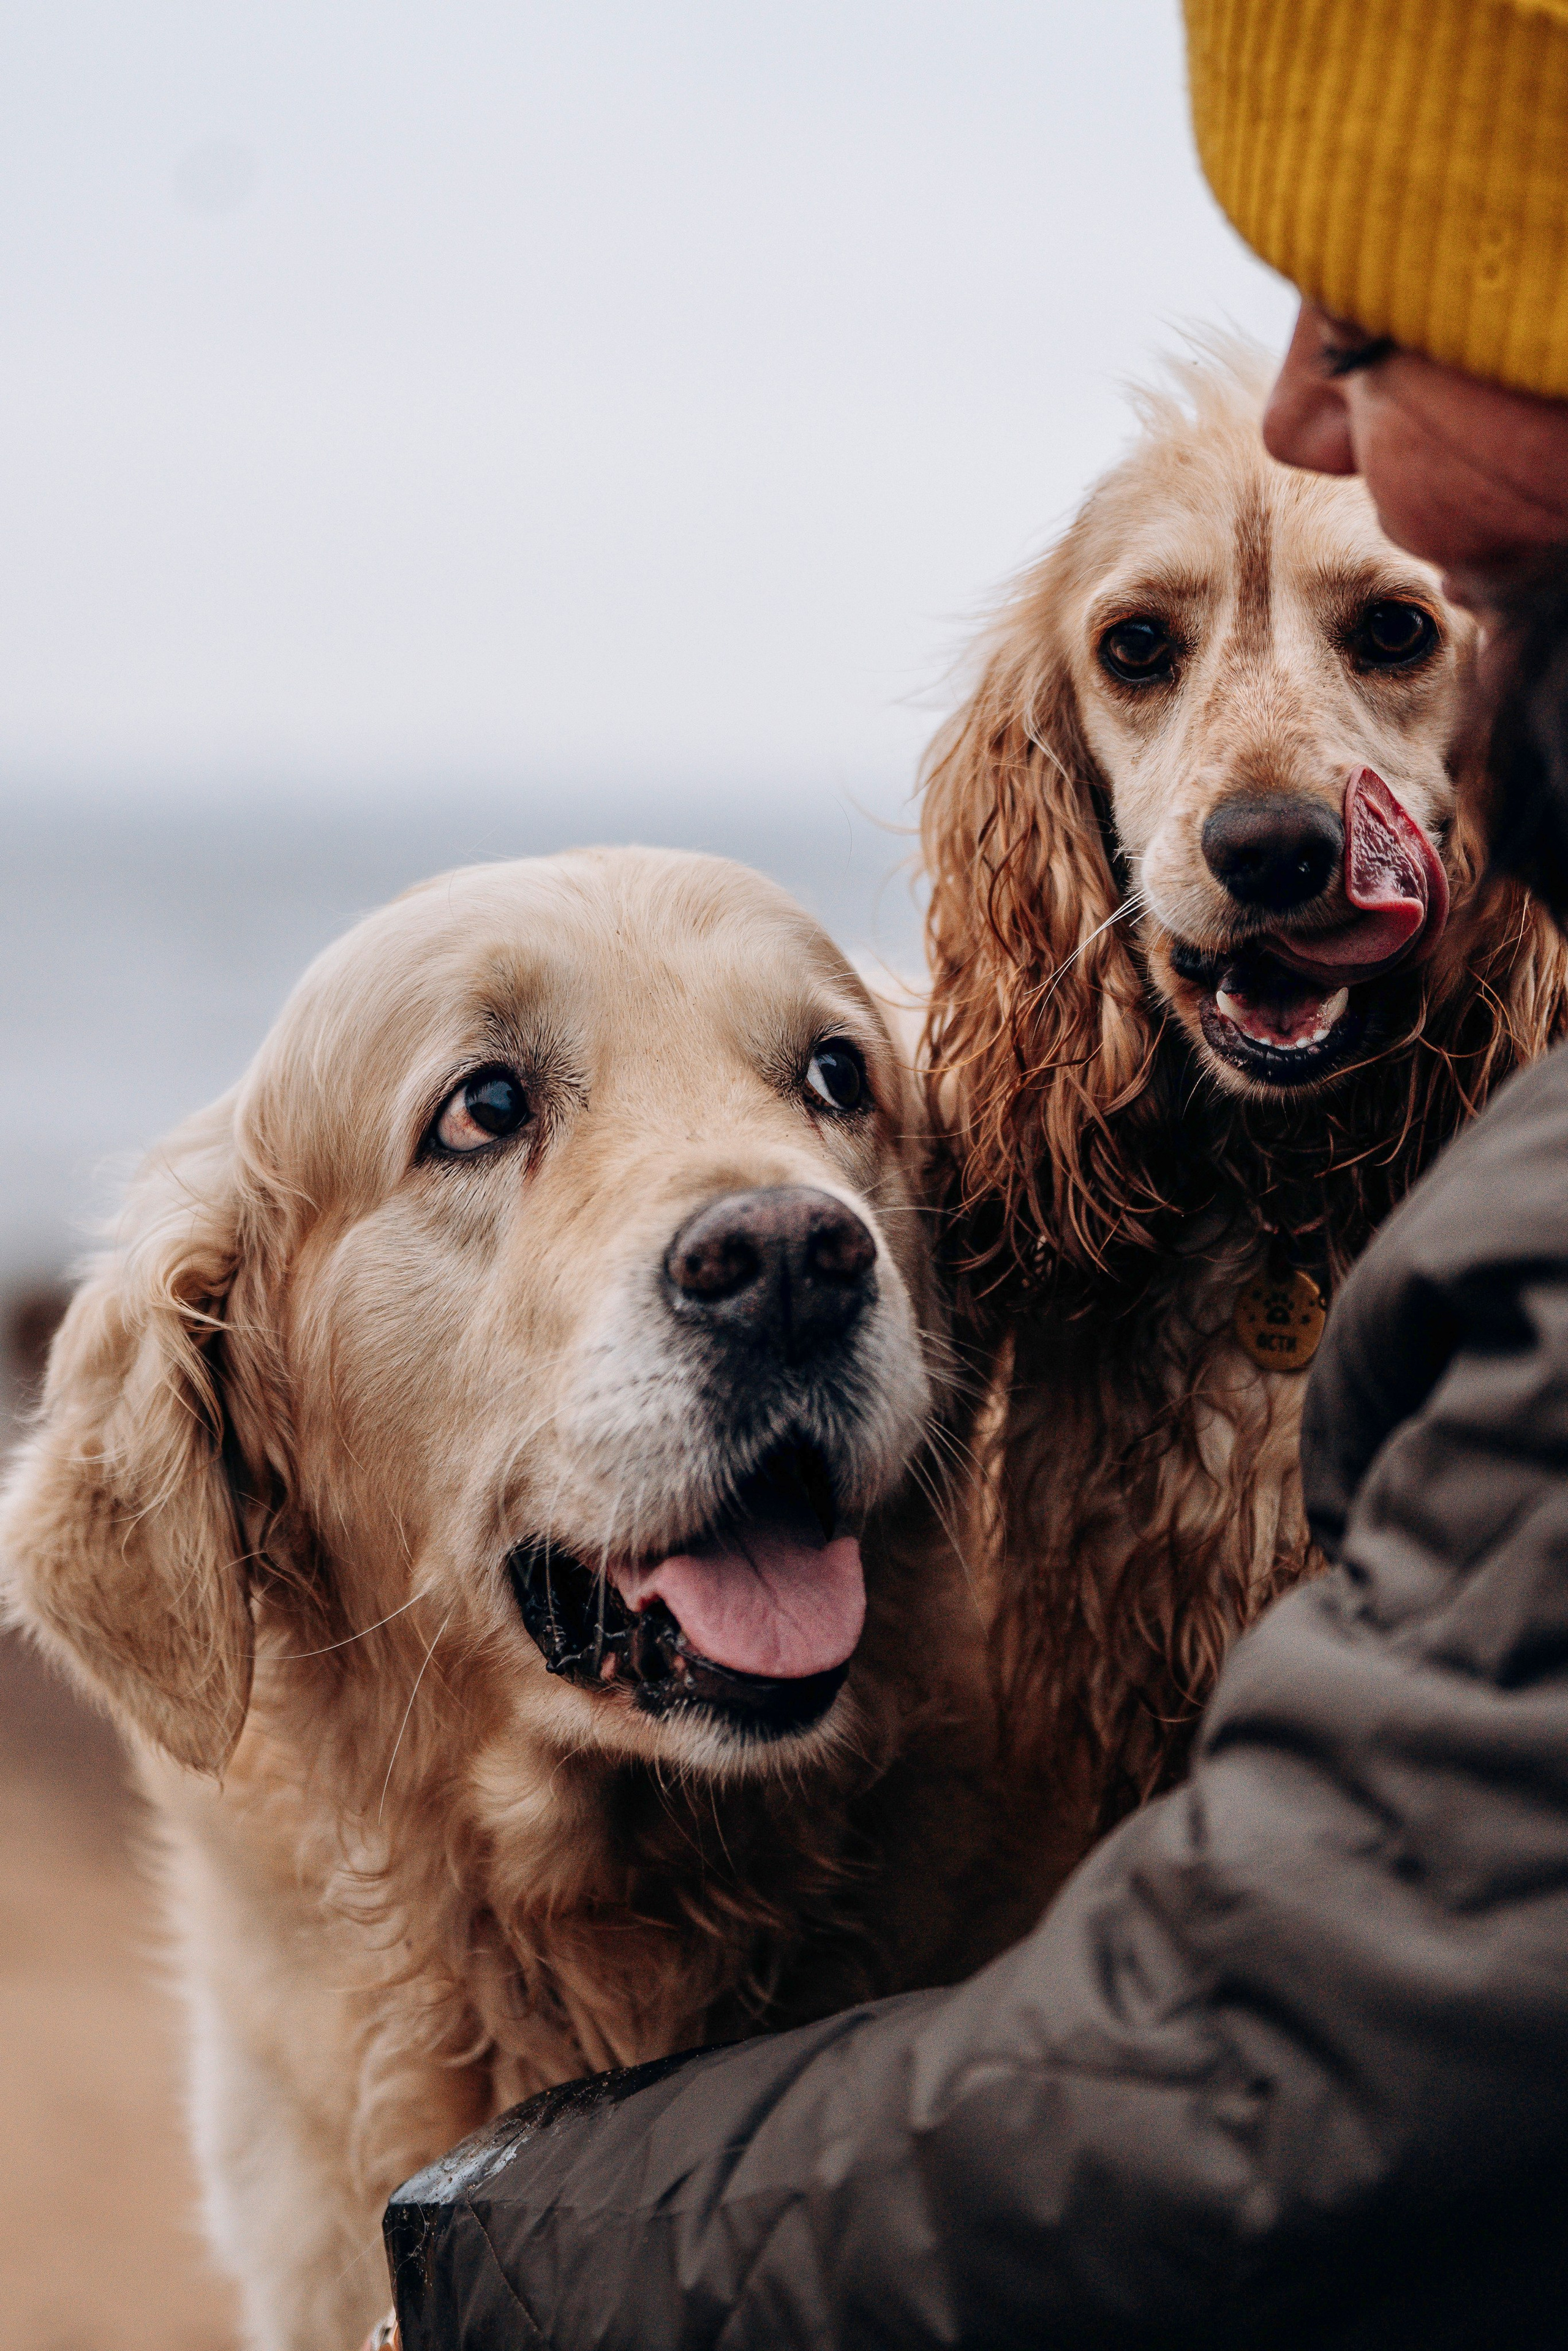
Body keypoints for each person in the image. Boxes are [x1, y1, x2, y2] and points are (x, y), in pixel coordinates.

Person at [380, 4, 1568, 2342]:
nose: (1257, 784)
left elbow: (1284, 2034)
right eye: (1144, 657)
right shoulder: (1025, 1228)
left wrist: (515, 2238)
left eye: (1385, 637)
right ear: (1057, 746)